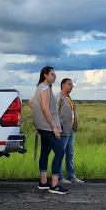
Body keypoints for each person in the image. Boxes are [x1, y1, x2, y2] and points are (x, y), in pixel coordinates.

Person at [30, 66, 68, 194]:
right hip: (48, 127)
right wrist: (54, 127)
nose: (55, 76)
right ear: (45, 75)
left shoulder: (39, 88)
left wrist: (39, 116)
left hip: (41, 126)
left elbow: (31, 102)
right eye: (52, 74)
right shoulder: (45, 88)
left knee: (45, 152)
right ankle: (55, 185)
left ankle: (43, 182)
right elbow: (46, 108)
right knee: (59, 151)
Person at [58, 78, 84, 183]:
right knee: (60, 153)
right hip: (62, 130)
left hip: (70, 129)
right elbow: (54, 114)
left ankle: (71, 176)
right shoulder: (59, 98)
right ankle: (59, 177)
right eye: (69, 84)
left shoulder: (68, 98)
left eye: (72, 84)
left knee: (70, 153)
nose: (72, 86)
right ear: (63, 85)